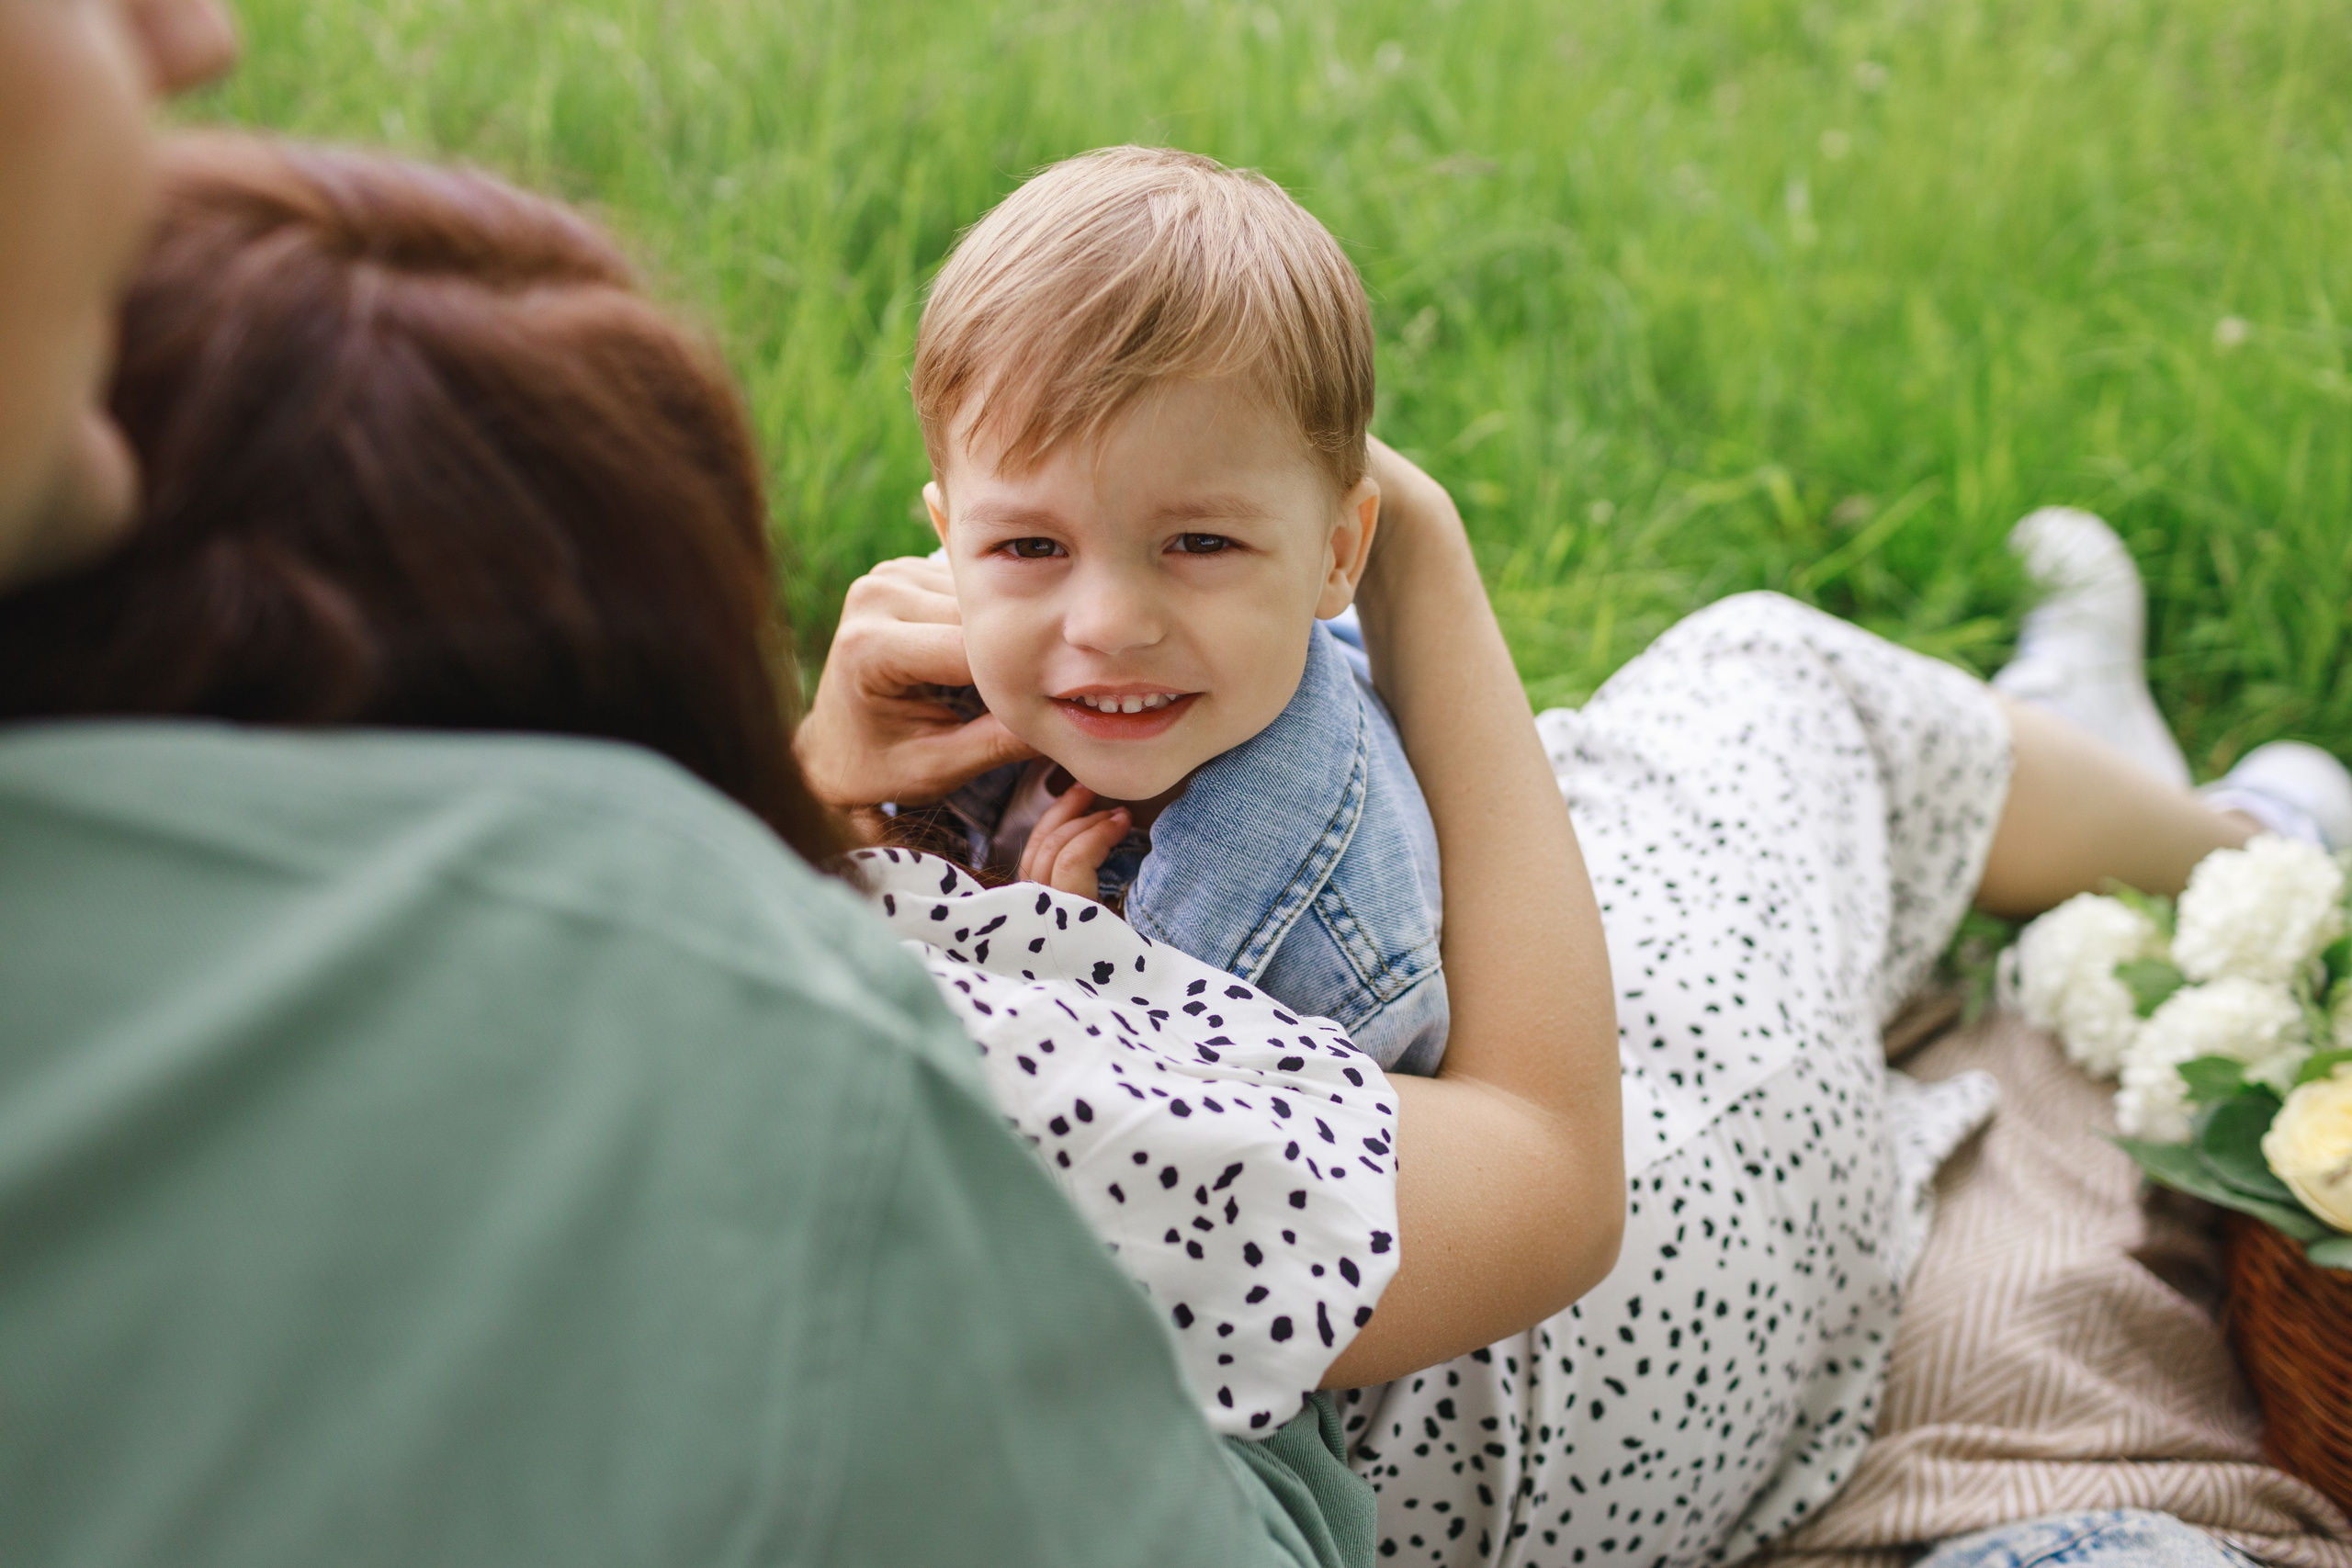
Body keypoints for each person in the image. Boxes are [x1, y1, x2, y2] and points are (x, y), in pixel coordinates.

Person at [0, 45, 1374, 1568]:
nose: (193, 33)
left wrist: (799, 785)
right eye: (1026, 549)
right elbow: (1535, 1184)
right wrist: (1427, 577)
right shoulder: (816, 1042)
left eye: (1193, 543)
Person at [907, 146, 1453, 1077]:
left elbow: (1343, 1191)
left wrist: (1088, 974)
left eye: (1200, 544)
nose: (1110, 626)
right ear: (951, 544)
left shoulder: (1333, 944)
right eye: (1031, 547)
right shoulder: (923, 685)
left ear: (1337, 556)